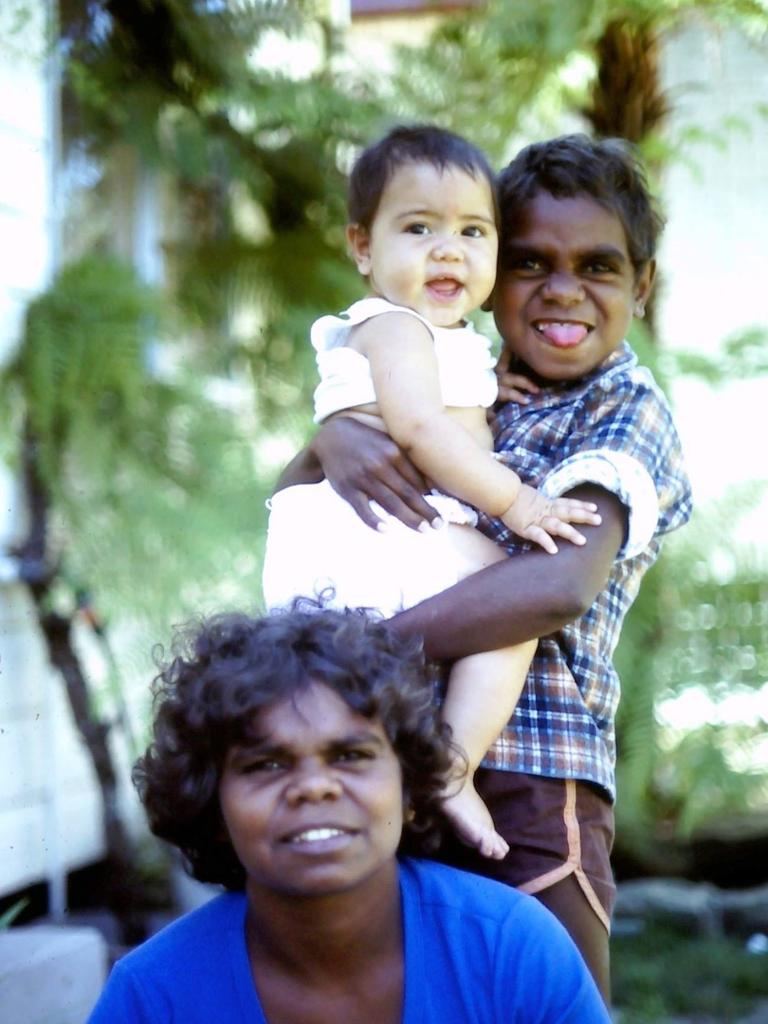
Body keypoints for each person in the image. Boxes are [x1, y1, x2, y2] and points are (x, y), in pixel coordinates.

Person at [281, 134, 693, 1003]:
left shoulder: (625, 409)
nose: (562, 291)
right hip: (390, 753)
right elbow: (302, 498)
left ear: (642, 287)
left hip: (533, 777)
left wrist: (364, 654)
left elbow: (557, 584)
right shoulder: (461, 377)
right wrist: (333, 437)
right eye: (533, 262)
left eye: (599, 268)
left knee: (541, 993)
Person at [261, 125, 600, 861]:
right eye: (419, 228)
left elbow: (445, 409)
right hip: (367, 532)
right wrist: (519, 503)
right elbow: (418, 425)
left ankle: (439, 767)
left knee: (505, 603)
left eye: (473, 232)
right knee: (514, 595)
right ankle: (452, 764)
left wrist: (483, 396)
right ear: (362, 248)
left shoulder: (446, 341)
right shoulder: (392, 326)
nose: (449, 250)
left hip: (378, 533)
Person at [87, 604, 610, 1023]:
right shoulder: (154, 996)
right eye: (266, 764)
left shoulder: (510, 950)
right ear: (211, 804)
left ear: (410, 788)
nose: (314, 787)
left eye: (351, 756)